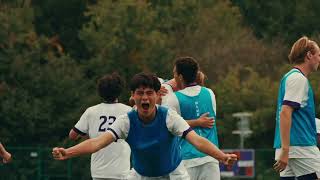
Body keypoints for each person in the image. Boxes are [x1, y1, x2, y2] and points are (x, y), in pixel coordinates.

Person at [52, 72, 237, 180]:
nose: (145, 98)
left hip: (173, 174)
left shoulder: (169, 117)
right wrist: (68, 152)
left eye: (150, 93)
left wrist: (222, 157)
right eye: (140, 93)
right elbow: (97, 143)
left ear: (158, 95)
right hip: (141, 176)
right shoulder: (126, 121)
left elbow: (197, 141)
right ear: (132, 96)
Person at [162, 57, 220, 180]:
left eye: (174, 74)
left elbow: (166, 126)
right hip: (210, 157)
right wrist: (198, 122)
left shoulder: (173, 98)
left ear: (181, 77)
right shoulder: (210, 93)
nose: (174, 77)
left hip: (186, 160)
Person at [68, 72, 132, 180]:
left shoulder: (91, 111)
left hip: (98, 172)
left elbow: (72, 135)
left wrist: (90, 134)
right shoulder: (128, 111)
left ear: (100, 91)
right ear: (120, 91)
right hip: (121, 172)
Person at [273, 36, 320, 179]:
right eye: (319, 55)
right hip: (301, 148)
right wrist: (286, 150)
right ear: (309, 55)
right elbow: (285, 112)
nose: (319, 59)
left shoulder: (289, 77)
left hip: (290, 148)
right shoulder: (298, 79)